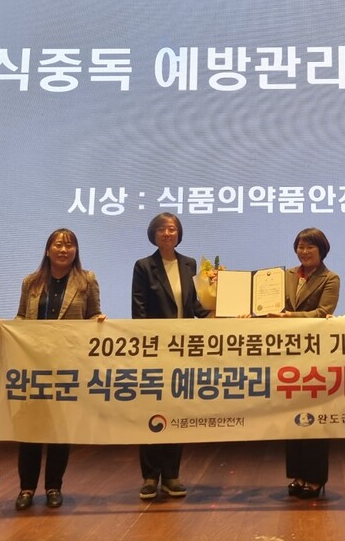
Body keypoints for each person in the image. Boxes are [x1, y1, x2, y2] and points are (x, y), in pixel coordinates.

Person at [0, 227, 104, 511]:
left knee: (59, 431)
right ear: (47, 250)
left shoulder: (87, 280)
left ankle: (54, 487)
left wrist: (99, 320)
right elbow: (21, 317)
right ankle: (26, 488)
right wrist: (5, 327)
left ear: (76, 251)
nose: (64, 250)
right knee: (30, 429)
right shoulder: (31, 281)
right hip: (33, 365)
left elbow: (92, 315)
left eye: (69, 245)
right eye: (58, 245)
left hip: (67, 365)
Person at [131, 212, 212, 500]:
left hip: (183, 350)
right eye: (162, 229)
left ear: (179, 233)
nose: (168, 233)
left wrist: (219, 314)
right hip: (155, 351)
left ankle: (171, 475)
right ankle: (150, 476)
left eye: (172, 228)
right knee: (152, 412)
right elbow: (139, 310)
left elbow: (193, 306)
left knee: (177, 412)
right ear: (153, 234)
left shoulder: (189, 264)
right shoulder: (144, 266)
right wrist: (150, 347)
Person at [274, 227, 340, 499]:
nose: (304, 251)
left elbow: (323, 312)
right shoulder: (284, 275)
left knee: (315, 417)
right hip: (288, 354)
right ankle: (298, 474)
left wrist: (288, 317)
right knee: (292, 415)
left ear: (321, 249)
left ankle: (315, 477)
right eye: (300, 246)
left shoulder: (330, 278)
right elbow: (271, 305)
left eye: (310, 246)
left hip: (315, 355)